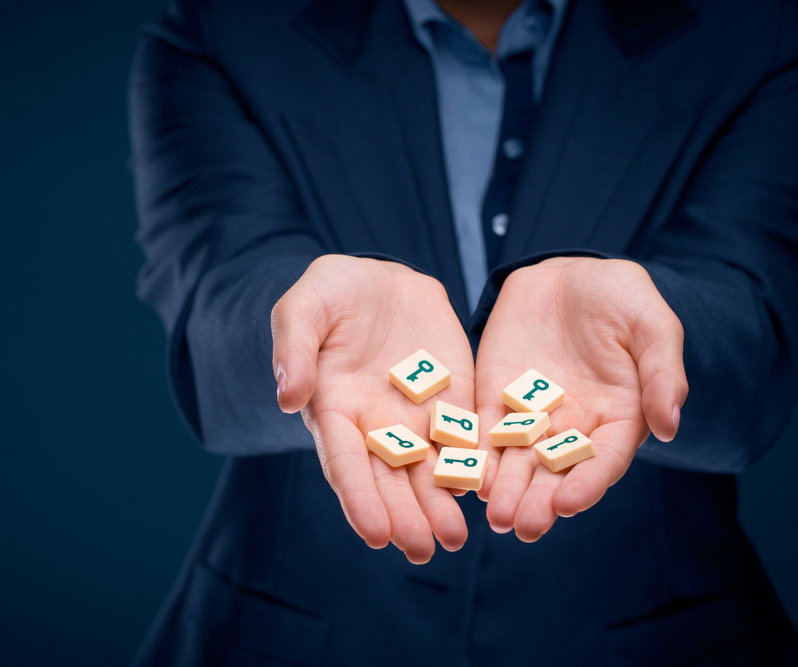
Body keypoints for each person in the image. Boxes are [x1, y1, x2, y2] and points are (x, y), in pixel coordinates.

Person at [129, 0, 798, 663]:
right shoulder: (222, 30)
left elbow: (757, 324)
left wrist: (660, 323)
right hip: (290, 631)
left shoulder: (759, 37)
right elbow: (214, 298)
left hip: (654, 634)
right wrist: (301, 324)